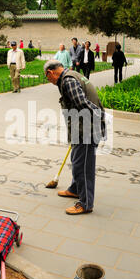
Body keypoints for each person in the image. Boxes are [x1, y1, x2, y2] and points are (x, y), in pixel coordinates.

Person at [43, 60, 105, 215]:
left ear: (50, 73)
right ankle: (75, 189)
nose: (48, 81)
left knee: (83, 166)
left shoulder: (68, 81)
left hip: (87, 130)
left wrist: (101, 117)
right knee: (77, 160)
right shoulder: (72, 74)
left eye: (47, 77)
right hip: (81, 128)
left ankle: (85, 203)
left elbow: (83, 104)